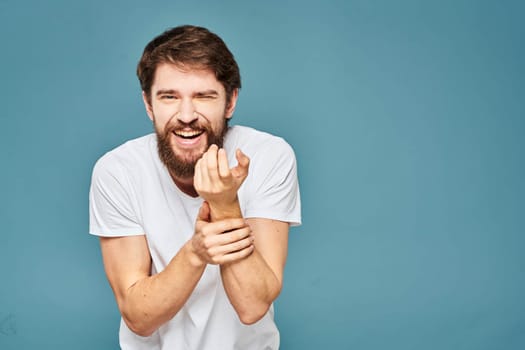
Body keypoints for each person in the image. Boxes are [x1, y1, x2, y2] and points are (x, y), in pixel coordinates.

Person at [89, 25, 301, 350]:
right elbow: (138, 317)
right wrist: (196, 251)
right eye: (169, 97)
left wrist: (225, 204)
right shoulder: (117, 171)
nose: (186, 115)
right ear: (148, 104)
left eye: (204, 96)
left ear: (230, 102)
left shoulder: (269, 156)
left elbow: (253, 306)